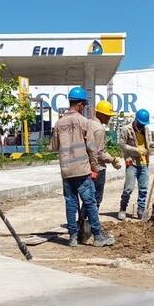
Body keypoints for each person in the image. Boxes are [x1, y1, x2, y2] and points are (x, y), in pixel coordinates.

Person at [51, 87, 114, 248]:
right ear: (79, 104)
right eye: (83, 105)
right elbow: (92, 148)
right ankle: (98, 236)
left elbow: (54, 146)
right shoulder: (84, 122)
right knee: (90, 203)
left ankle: (72, 237)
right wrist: (94, 167)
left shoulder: (58, 123)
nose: (84, 108)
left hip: (66, 170)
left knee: (70, 203)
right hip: (82, 169)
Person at [77, 100, 122, 242]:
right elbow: (99, 153)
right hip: (97, 168)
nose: (109, 118)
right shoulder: (99, 129)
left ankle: (81, 228)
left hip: (84, 167)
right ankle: (91, 230)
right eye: (108, 115)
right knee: (95, 200)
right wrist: (113, 159)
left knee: (87, 199)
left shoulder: (87, 123)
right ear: (101, 114)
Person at [118, 109, 154, 220]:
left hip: (144, 163)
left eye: (144, 124)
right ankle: (123, 208)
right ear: (136, 120)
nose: (142, 125)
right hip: (132, 163)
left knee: (143, 188)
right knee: (128, 188)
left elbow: (146, 144)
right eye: (141, 123)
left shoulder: (145, 129)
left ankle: (141, 210)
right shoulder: (126, 129)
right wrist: (136, 150)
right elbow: (122, 145)